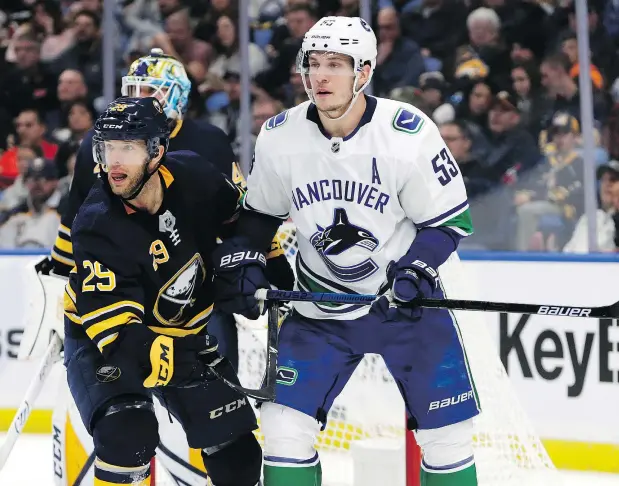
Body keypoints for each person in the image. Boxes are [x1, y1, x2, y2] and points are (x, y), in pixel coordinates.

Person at [212, 16, 479, 486]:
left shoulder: (407, 132)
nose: (320, 76)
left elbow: (448, 223)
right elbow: (258, 217)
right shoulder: (280, 134)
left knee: (448, 437)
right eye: (312, 64)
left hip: (407, 306)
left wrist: (415, 269)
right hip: (320, 308)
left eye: (335, 64)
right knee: (282, 430)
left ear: (365, 71)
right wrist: (246, 259)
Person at [63, 96, 261, 486]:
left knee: (238, 454)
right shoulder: (96, 222)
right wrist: (169, 353)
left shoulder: (195, 177)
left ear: (157, 151)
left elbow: (243, 225)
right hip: (104, 338)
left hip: (181, 334)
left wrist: (253, 265)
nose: (113, 163)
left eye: (128, 149)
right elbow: (116, 329)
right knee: (127, 433)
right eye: (107, 149)